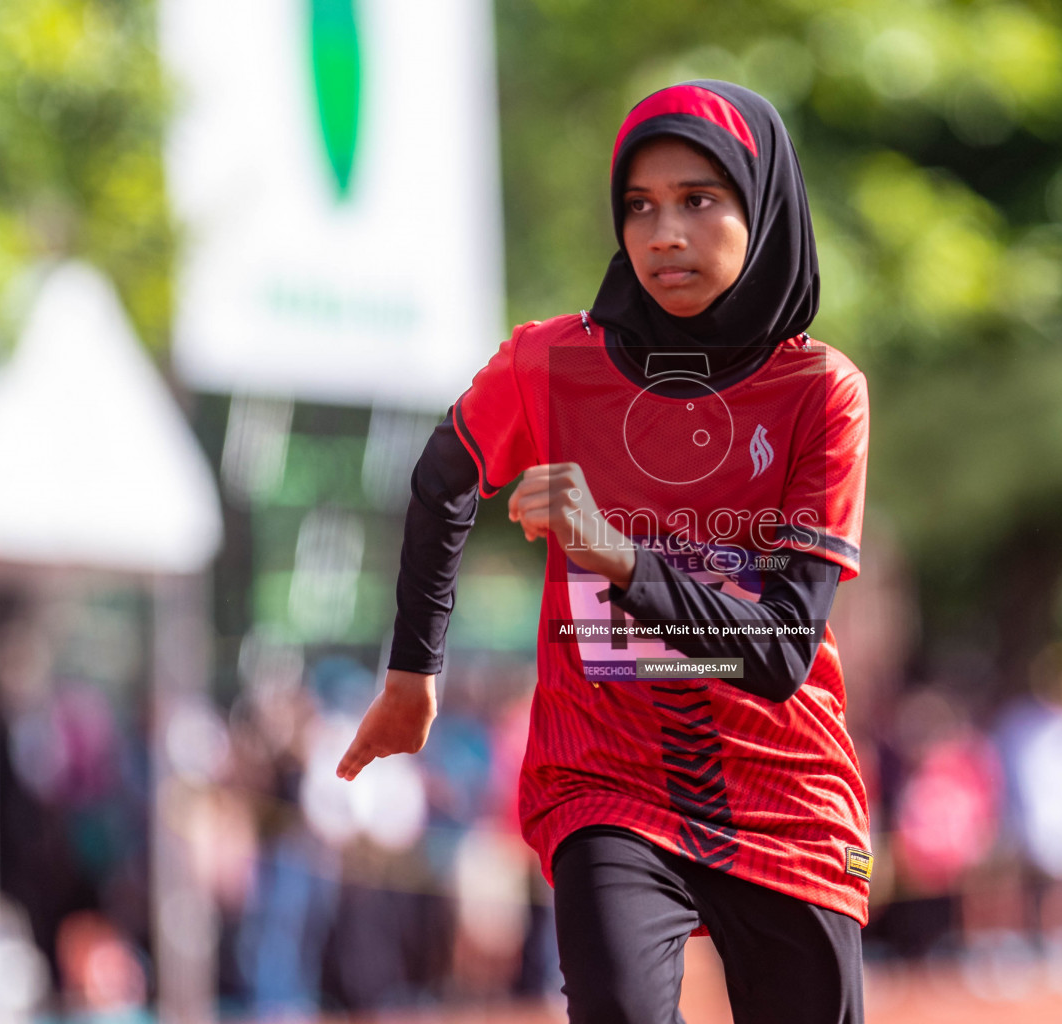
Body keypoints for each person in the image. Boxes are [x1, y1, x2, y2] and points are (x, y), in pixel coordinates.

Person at [337, 80, 870, 1023]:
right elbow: (438, 485)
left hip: (785, 795)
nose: (664, 233)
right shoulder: (552, 365)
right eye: (639, 205)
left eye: (699, 200)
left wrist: (621, 557)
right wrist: (412, 674)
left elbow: (785, 650)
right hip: (606, 783)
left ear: (763, 203)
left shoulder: (820, 392)